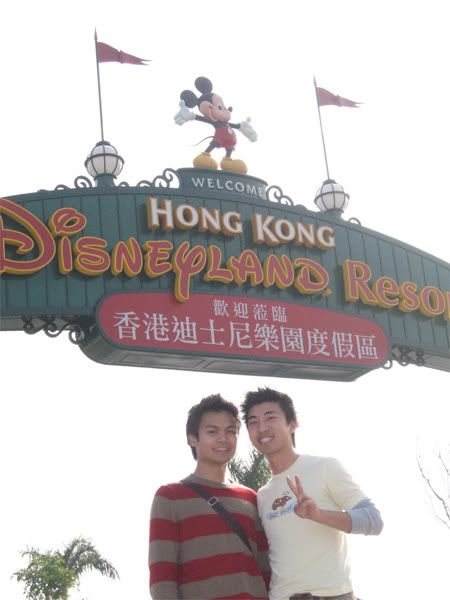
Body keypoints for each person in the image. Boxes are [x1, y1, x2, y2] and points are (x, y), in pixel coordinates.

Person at [241, 387, 383, 600]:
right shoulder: (262, 495)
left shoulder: (324, 467)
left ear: (292, 423)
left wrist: (318, 515)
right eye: (253, 422)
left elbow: (373, 521)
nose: (262, 427)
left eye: (270, 418)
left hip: (329, 595)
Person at [149, 394, 270, 599]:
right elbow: (162, 578)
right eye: (212, 431)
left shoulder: (251, 498)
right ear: (192, 438)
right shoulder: (170, 497)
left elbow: (266, 569)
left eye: (230, 431)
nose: (223, 439)